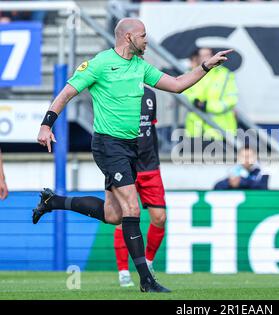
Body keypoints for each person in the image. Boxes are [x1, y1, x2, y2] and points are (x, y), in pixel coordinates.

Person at [32, 17, 232, 293]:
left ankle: (53, 201)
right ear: (128, 38)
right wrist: (46, 124)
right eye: (143, 35)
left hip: (131, 148)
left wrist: (205, 67)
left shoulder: (140, 66)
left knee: (113, 215)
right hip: (107, 145)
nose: (147, 40)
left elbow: (177, 85)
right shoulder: (100, 64)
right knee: (132, 209)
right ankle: (146, 281)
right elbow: (66, 93)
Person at [114, 86, 167, 287]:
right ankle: (123, 271)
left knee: (160, 217)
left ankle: (148, 262)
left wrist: (156, 161)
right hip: (125, 164)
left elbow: (150, 130)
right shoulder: (116, 91)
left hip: (150, 165)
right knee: (123, 217)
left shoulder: (150, 94)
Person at [183, 47, 238, 144]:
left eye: (208, 55)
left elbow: (231, 99)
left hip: (220, 130)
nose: (205, 57)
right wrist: (195, 101)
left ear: (213, 56)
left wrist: (207, 106)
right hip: (195, 129)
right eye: (202, 55)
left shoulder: (225, 74)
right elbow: (185, 93)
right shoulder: (191, 73)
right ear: (197, 58)